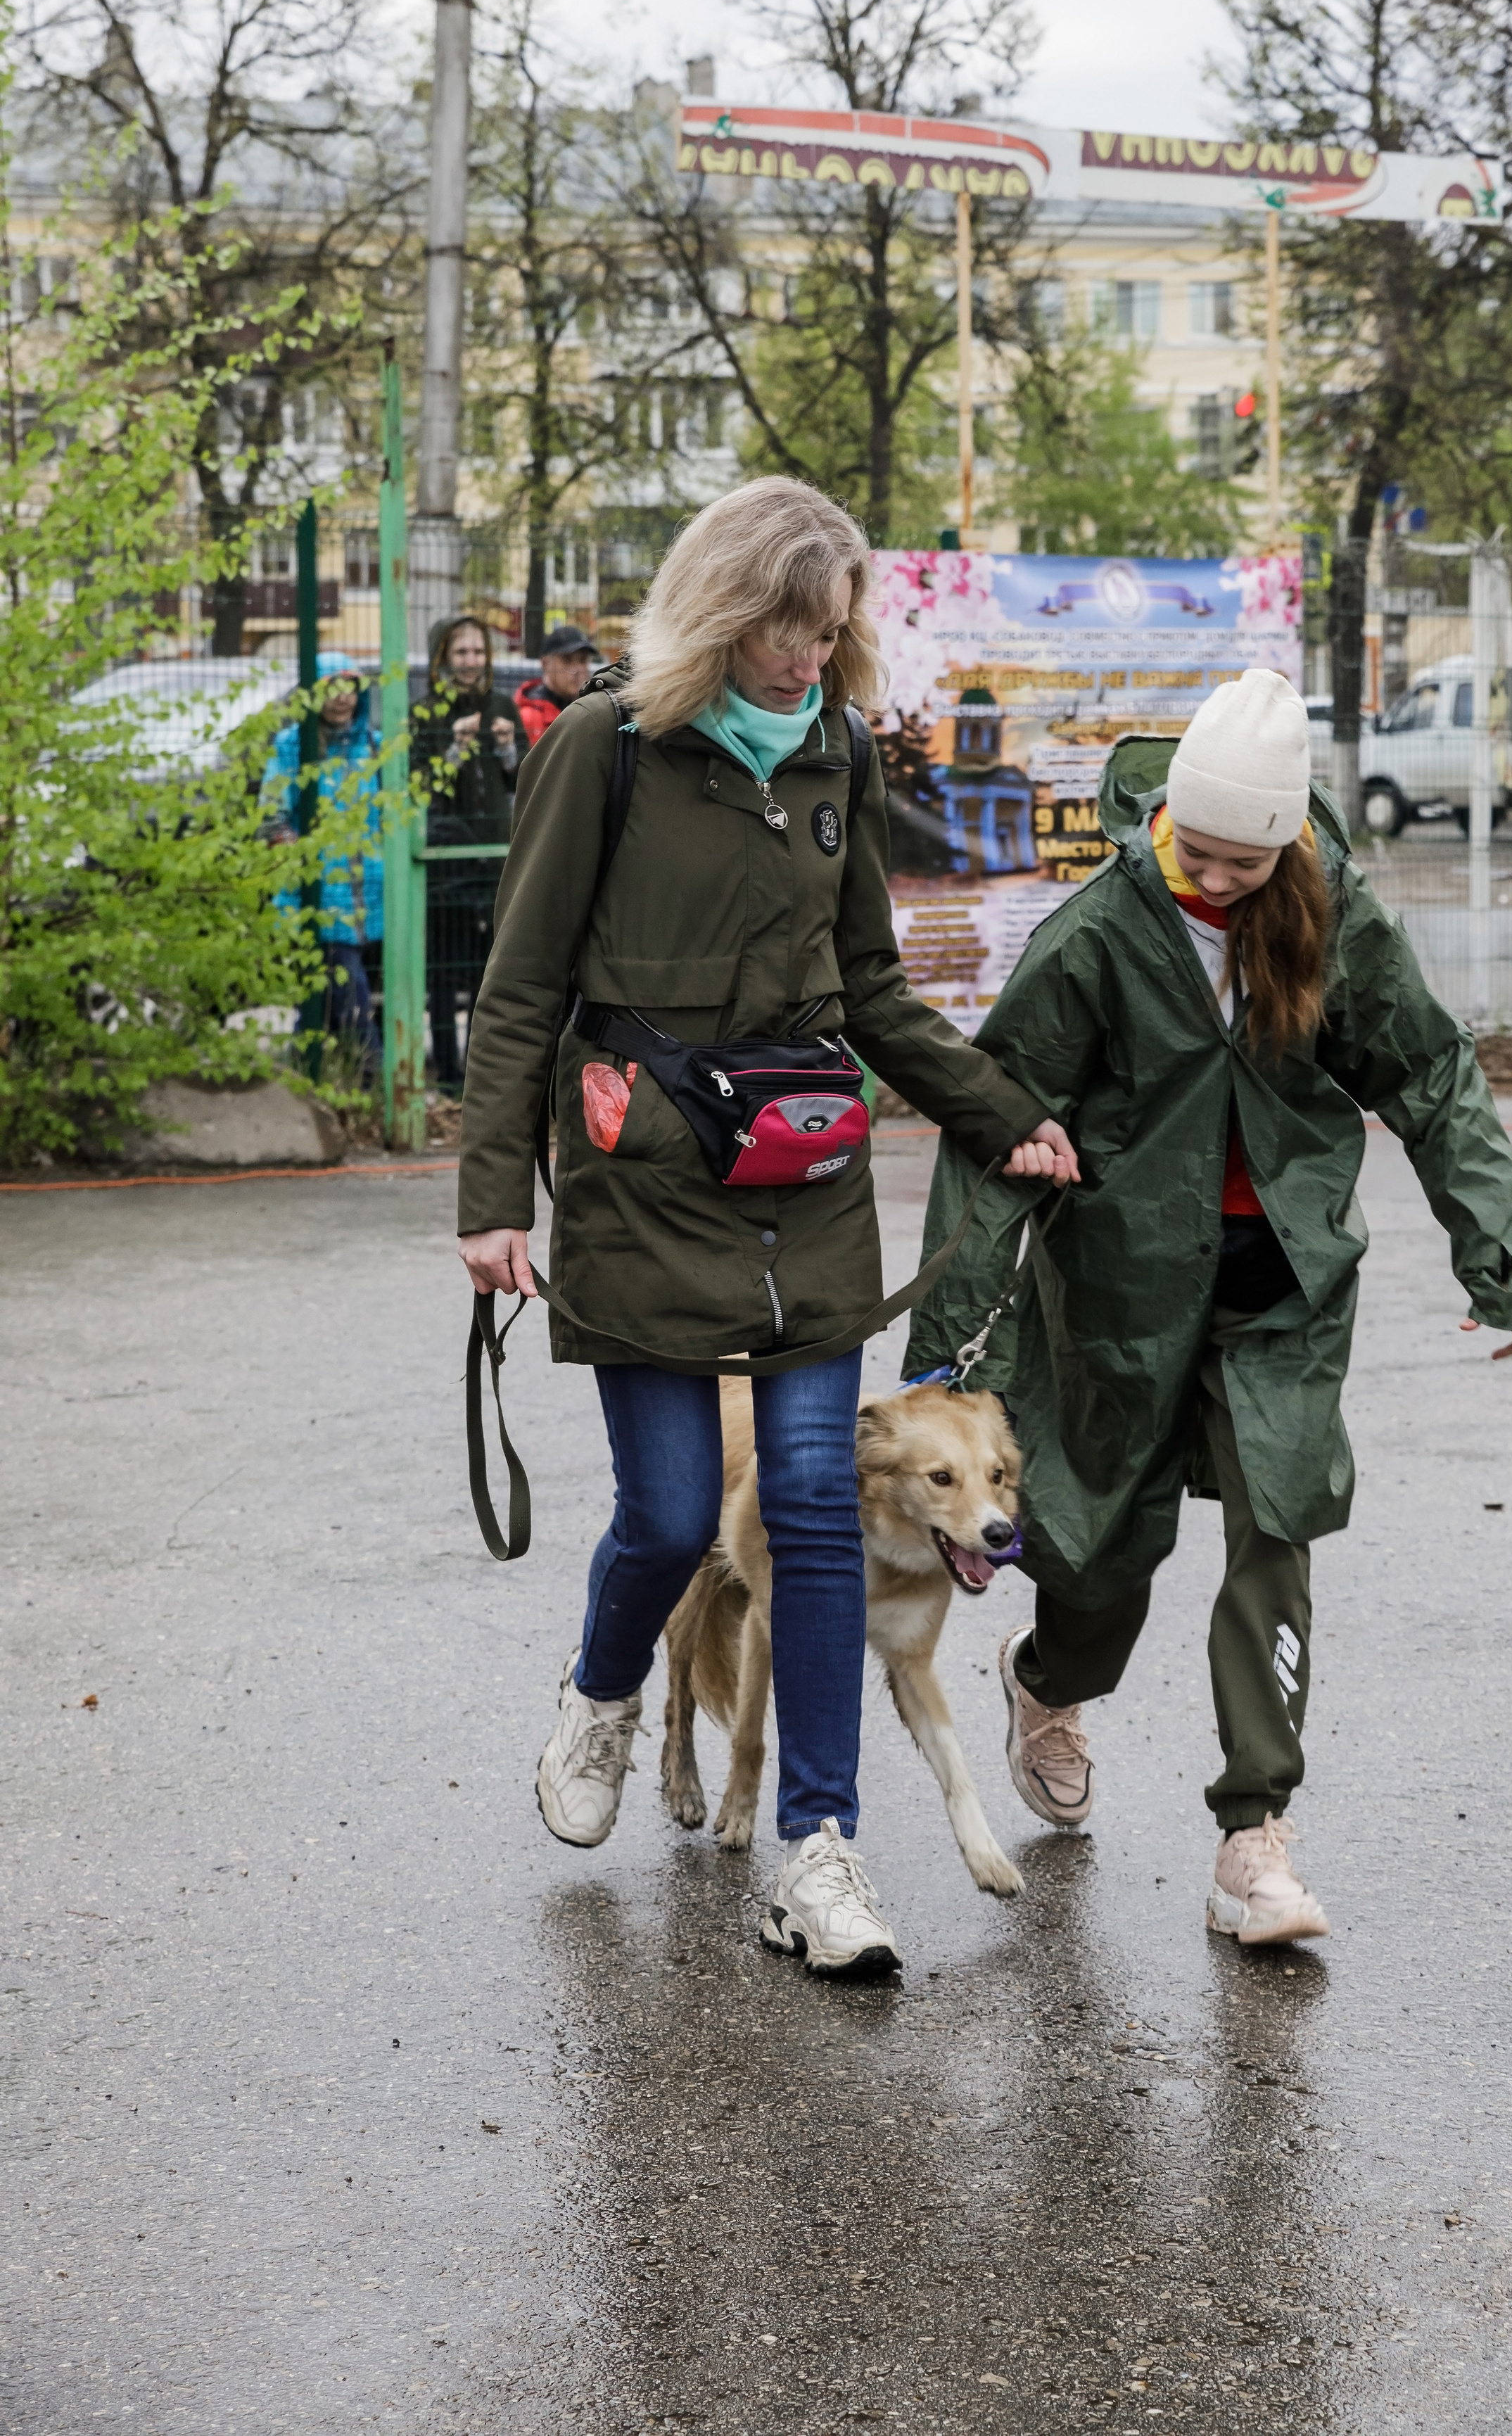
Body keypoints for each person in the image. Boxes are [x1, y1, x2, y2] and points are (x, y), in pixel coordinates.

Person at [454, 477, 1078, 1981]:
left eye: (827, 630)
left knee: (807, 1508)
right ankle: (603, 1692)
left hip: (804, 1188)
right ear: (723, 607)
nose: (809, 656)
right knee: (672, 1519)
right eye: (784, 628)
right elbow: (522, 989)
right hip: (642, 1176)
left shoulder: (838, 753)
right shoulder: (605, 746)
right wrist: (492, 1200)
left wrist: (996, 1110)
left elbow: (868, 985)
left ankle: (816, 1848)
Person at [904, 668, 1512, 1950]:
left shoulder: (1328, 909)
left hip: (1280, 1292)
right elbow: (994, 1134)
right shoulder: (1095, 937)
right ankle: (1045, 1682)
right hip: (1120, 1299)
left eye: (1242, 859)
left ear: (1288, 838)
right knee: (1097, 1562)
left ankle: (1254, 1832)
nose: (1215, 874)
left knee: (1275, 1535)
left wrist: (1502, 1258)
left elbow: (1427, 1072)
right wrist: (947, 1361)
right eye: (1195, 849)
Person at [261, 650, 383, 1081]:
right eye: (331, 687)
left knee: (320, 1003)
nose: (342, 698)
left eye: (349, 686)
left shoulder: (375, 745)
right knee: (351, 999)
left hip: (370, 895)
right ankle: (374, 1082)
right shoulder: (292, 746)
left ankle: (303, 1084)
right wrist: (298, 855)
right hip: (316, 895)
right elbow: (273, 815)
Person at [414, 616, 518, 1093]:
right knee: (442, 971)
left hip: (494, 856)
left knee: (488, 972)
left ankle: (483, 1070)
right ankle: (449, 1072)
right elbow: (422, 787)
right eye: (462, 653)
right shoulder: (427, 712)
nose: (471, 662)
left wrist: (506, 748)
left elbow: (520, 779)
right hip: (445, 861)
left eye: (478, 652)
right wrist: (453, 750)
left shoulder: (502, 705)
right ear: (444, 659)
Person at [513, 624, 600, 747]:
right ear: (545, 664)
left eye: (583, 660)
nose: (578, 669)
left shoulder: (595, 712)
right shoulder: (526, 717)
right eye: (567, 660)